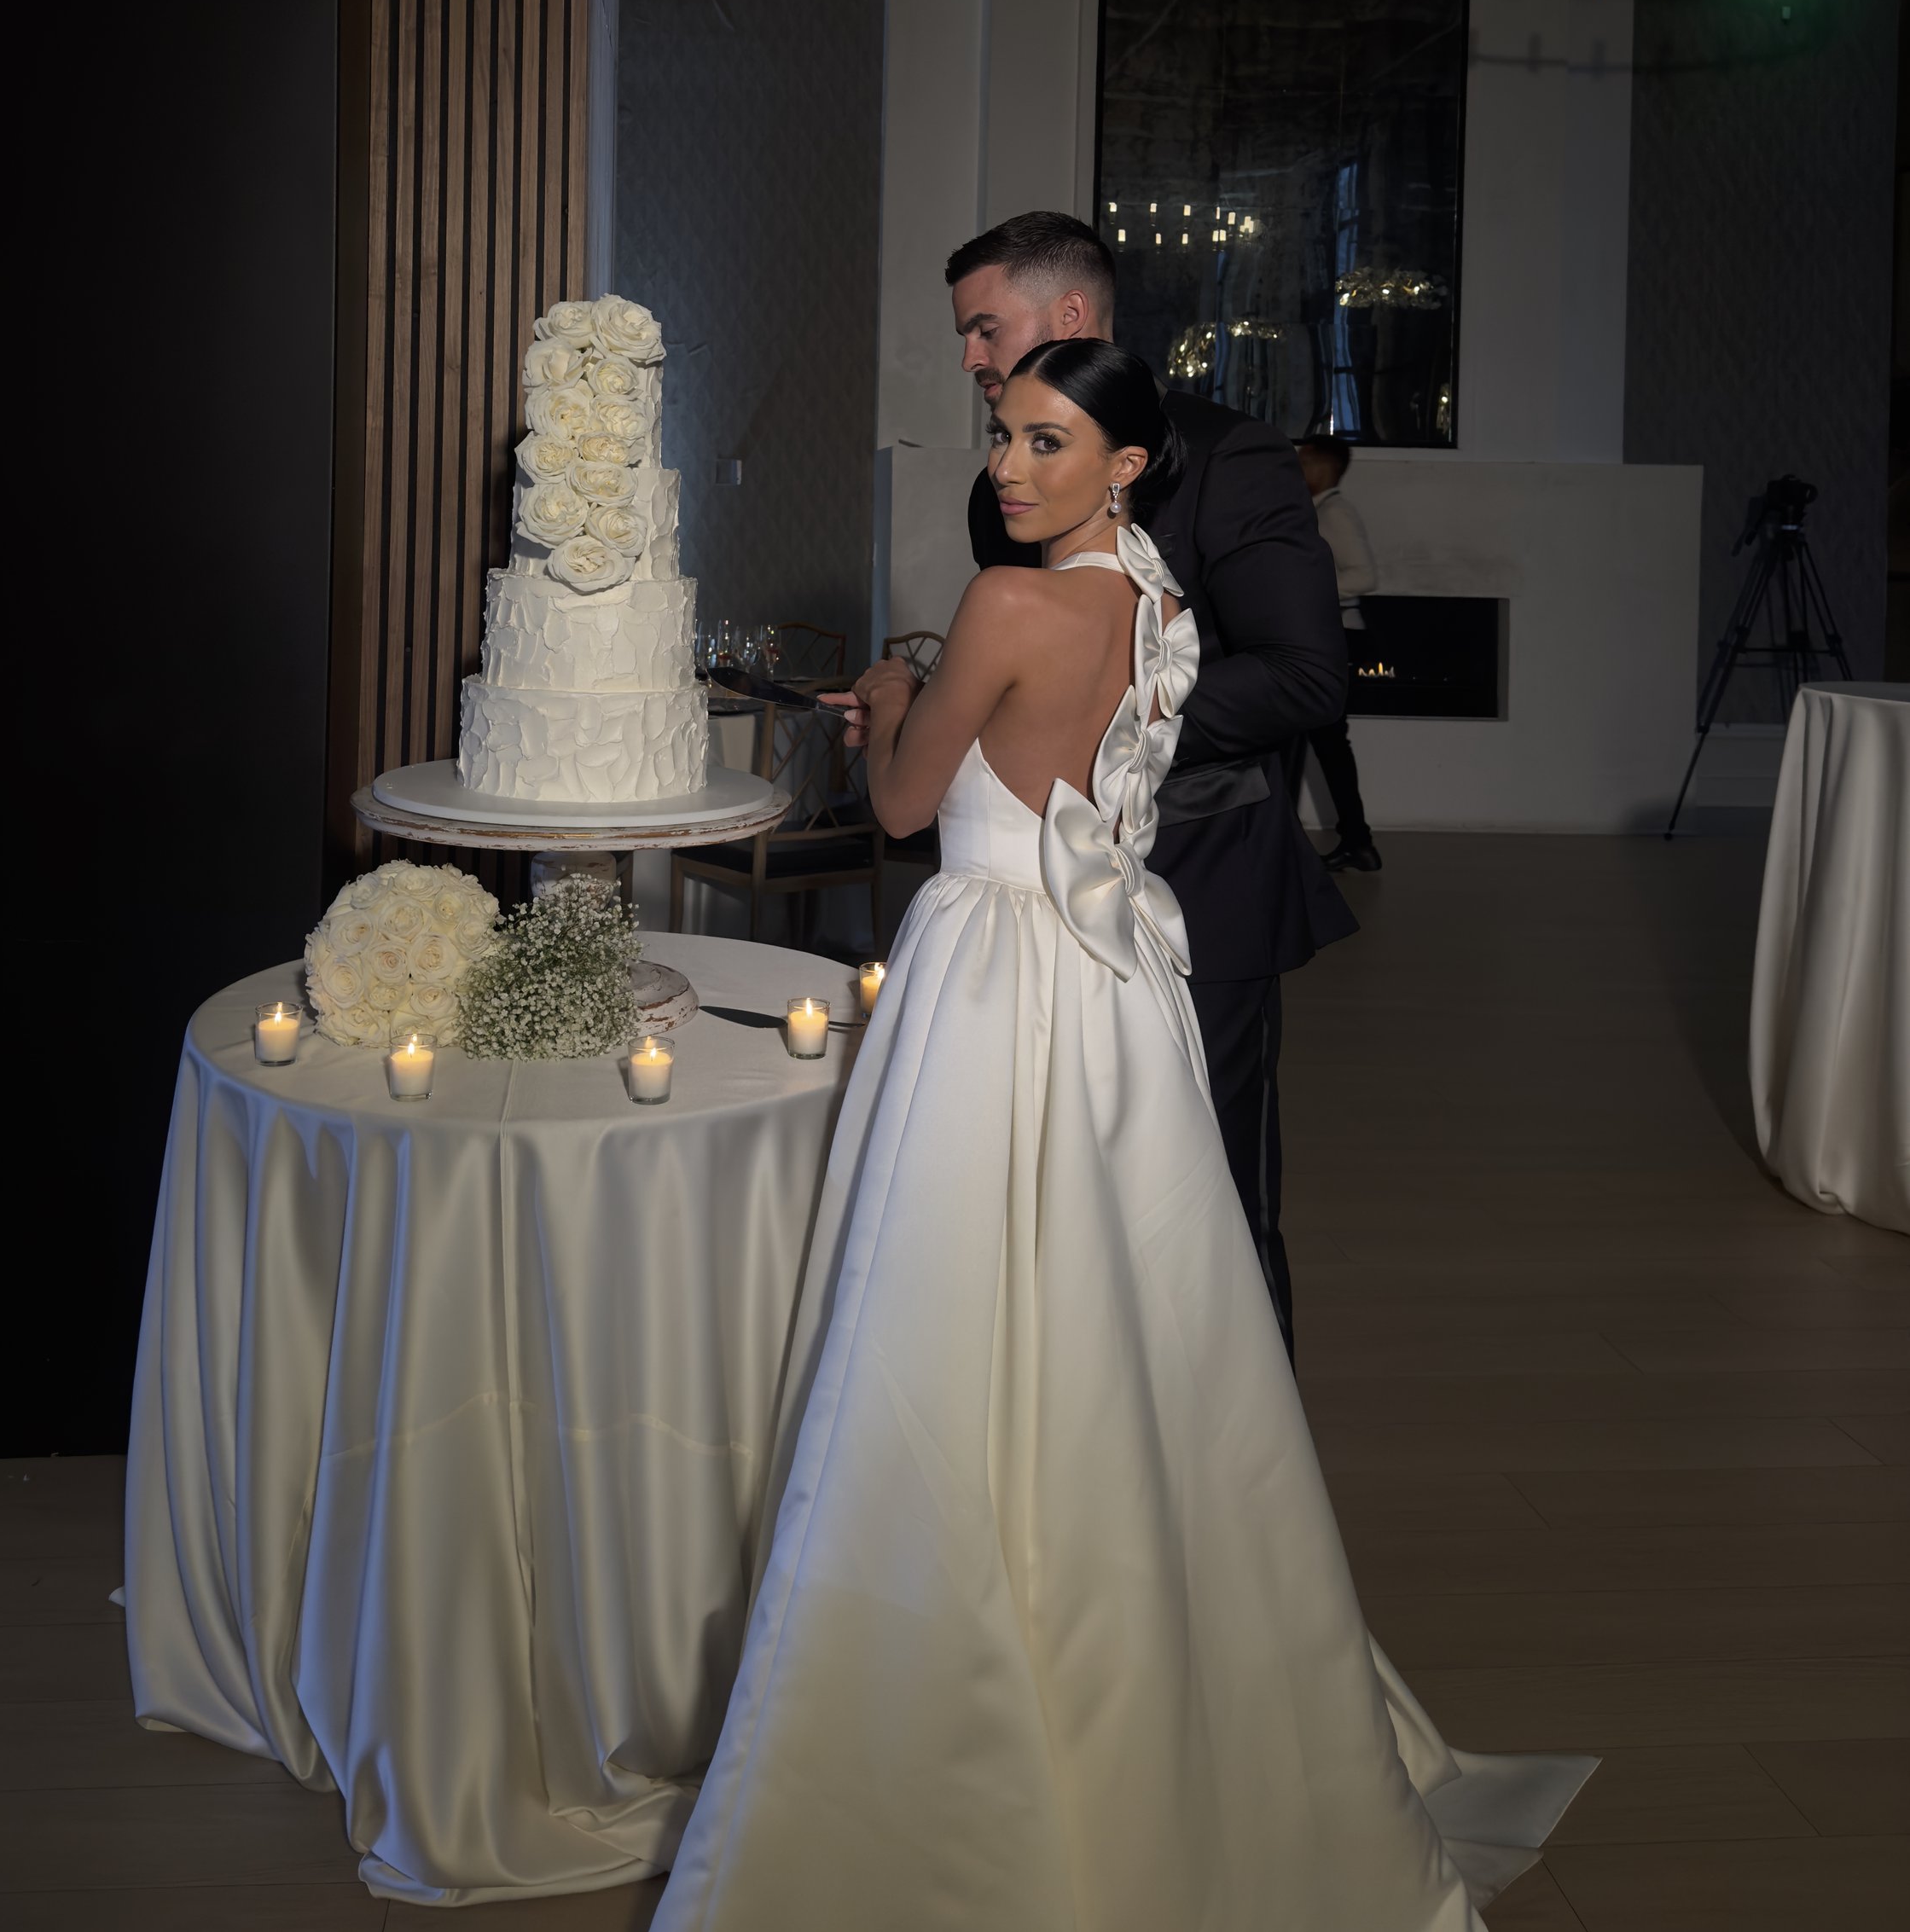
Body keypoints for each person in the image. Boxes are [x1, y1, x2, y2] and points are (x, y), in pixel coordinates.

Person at [653, 341, 1591, 1932]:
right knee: (1125, 1306)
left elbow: (897, 808)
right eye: (1006, 435)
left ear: (1127, 460)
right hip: (1113, 984)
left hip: (994, 966)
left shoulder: (1007, 604)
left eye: (1050, 437)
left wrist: (888, 697)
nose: (1013, 464)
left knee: (953, 1308)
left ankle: (960, 1650)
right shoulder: (1158, 602)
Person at [942, 209, 1350, 1358]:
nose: (970, 358)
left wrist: (1106, 720)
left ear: (1069, 319)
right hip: (1036, 909)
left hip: (1197, 894)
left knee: (1207, 1207)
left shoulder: (1235, 457)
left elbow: (1306, 676)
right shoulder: (1003, 487)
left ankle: (1243, 1507)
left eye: (985, 328)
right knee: (1059, 1207)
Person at [1297, 432, 1384, 874]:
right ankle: (1353, 841)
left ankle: (1357, 841)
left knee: (1326, 743)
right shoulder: (1321, 511)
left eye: (1303, 461)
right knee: (1309, 741)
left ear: (1323, 468)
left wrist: (1306, 595)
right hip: (1324, 639)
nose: (1297, 468)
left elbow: (1365, 577)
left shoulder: (1335, 512)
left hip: (1338, 639)